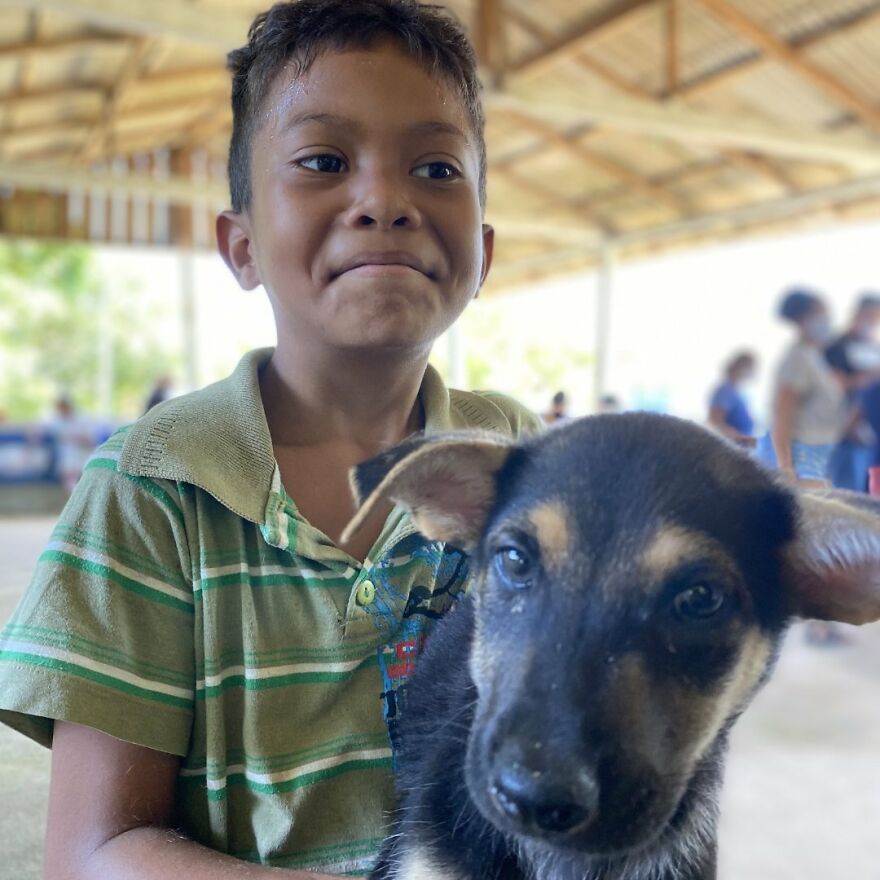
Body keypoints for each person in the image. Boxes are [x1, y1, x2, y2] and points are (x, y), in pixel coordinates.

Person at [0, 4, 542, 878]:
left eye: (436, 167)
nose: (384, 201)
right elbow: (94, 853)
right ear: (241, 244)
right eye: (324, 161)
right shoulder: (154, 488)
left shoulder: (520, 456)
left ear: (481, 252)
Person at [760, 288, 846, 483]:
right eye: (820, 312)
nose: (826, 318)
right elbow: (781, 415)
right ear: (801, 318)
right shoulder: (797, 358)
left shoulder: (815, 356)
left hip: (822, 453)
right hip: (803, 456)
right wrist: (786, 466)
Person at [825, 294, 880, 491]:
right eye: (870, 316)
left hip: (871, 437)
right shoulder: (836, 346)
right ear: (858, 314)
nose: (873, 322)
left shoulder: (874, 348)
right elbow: (834, 384)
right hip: (844, 432)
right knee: (847, 492)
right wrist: (871, 378)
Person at [44, 394, 96, 495]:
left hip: (84, 453)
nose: (62, 410)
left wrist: (78, 439)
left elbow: (90, 440)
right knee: (69, 469)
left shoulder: (83, 417)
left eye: (64, 406)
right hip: (68, 457)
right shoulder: (56, 421)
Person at [707, 351, 756, 447]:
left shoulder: (738, 392)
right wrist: (742, 439)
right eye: (749, 367)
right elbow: (715, 422)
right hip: (728, 450)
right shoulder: (725, 391)